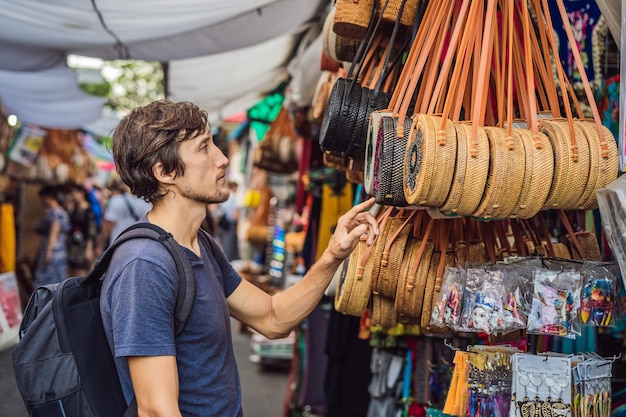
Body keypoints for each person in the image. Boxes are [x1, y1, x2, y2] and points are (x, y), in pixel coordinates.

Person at [101, 100, 379, 417]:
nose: (222, 160)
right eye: (204, 148)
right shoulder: (145, 265)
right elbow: (156, 410)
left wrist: (333, 254)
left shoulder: (201, 244)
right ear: (164, 172)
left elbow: (273, 319)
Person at [95, 178, 152, 254]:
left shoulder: (116, 200)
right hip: (138, 247)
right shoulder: (146, 203)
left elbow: (107, 226)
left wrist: (100, 245)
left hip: (117, 245)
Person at [34, 184, 72, 286]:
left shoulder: (54, 212)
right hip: (60, 250)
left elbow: (53, 234)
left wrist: (48, 253)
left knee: (46, 281)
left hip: (52, 251)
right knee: (57, 282)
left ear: (46, 197)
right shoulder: (62, 212)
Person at [66, 182, 98, 276]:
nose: (73, 195)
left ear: (81, 193)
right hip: (73, 243)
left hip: (83, 244)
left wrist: (89, 247)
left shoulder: (89, 210)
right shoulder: (73, 208)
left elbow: (91, 230)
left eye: (75, 193)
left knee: (81, 270)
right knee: (71, 269)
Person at [216, 180, 240, 260]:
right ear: (234, 187)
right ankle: (229, 259)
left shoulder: (225, 195)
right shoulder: (233, 196)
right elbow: (235, 212)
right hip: (231, 222)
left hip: (223, 222)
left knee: (224, 242)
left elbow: (219, 207)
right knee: (230, 242)